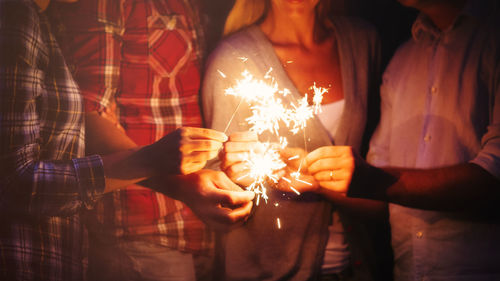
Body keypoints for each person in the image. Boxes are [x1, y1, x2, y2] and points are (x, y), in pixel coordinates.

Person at [0, 0, 254, 280]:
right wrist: (165, 170)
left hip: (191, 235)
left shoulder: (198, 8)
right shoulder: (25, 16)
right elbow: (88, 116)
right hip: (139, 236)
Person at [303, 0, 500, 280]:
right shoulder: (402, 61)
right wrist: (305, 172)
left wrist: (371, 180)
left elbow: (493, 180)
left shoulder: (491, 38)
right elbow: (379, 197)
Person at [202, 0, 391, 280]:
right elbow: (216, 190)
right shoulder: (234, 58)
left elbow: (383, 165)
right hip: (267, 270)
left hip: (358, 265)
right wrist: (237, 177)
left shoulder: (362, 42)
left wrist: (316, 178)